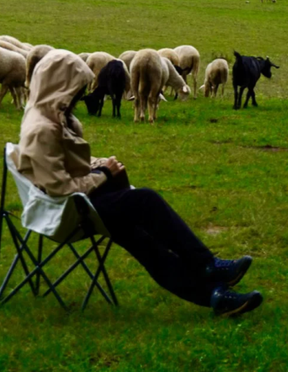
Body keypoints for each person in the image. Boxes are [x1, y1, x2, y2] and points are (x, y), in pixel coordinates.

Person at [17, 49, 263, 317]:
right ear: (60, 85)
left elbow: (64, 165)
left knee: (146, 246)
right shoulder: (42, 128)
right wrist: (104, 174)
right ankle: (209, 265)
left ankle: (216, 296)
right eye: (75, 87)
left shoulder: (51, 118)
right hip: (67, 212)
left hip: (78, 204)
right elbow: (59, 186)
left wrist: (101, 163)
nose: (79, 93)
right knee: (145, 201)